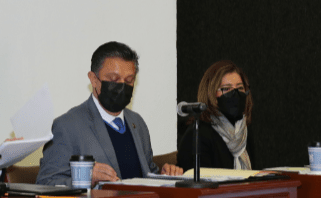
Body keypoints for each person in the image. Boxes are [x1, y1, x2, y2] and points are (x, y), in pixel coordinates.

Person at [36, 41, 182, 187]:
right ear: (94, 80)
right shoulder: (66, 127)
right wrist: (85, 178)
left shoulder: (137, 123)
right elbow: (45, 183)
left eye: (129, 81)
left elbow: (147, 175)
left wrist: (164, 176)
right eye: (113, 79)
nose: (122, 86)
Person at [177, 60, 256, 171]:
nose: (236, 94)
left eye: (239, 88)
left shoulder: (243, 130)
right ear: (211, 94)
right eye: (226, 89)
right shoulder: (197, 134)